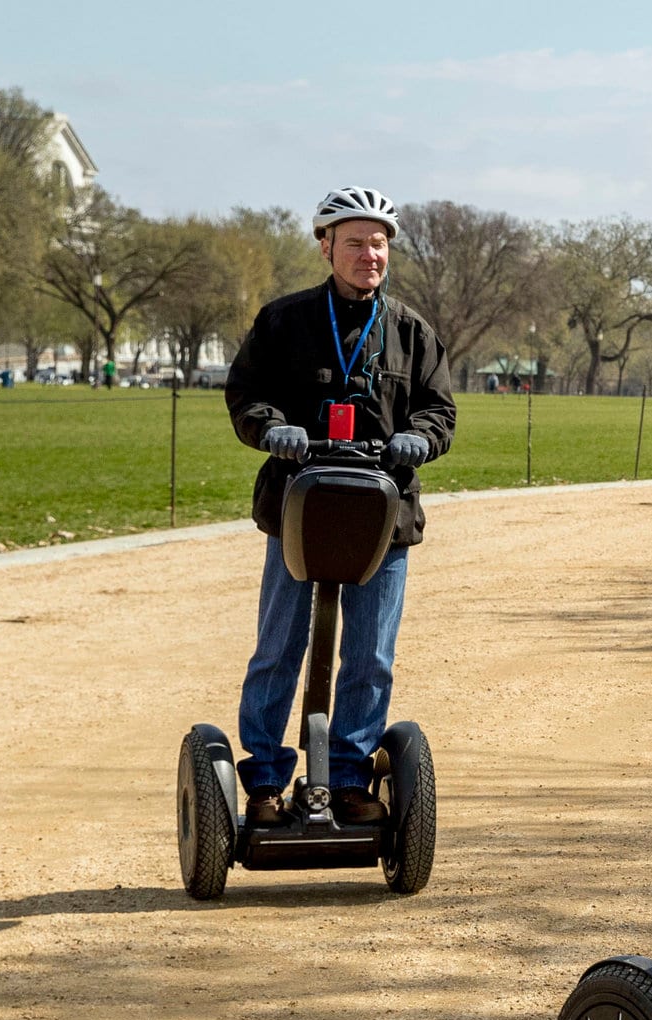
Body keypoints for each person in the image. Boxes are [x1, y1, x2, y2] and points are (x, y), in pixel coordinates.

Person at [224, 185, 457, 827]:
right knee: (280, 645)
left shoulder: (411, 331)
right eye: (354, 241)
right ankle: (267, 779)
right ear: (326, 246)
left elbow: (440, 409)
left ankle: (351, 776)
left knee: (370, 655)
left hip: (384, 518)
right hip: (299, 510)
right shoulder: (284, 321)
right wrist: (271, 426)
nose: (369, 254)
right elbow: (246, 393)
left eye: (379, 242)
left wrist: (422, 437)